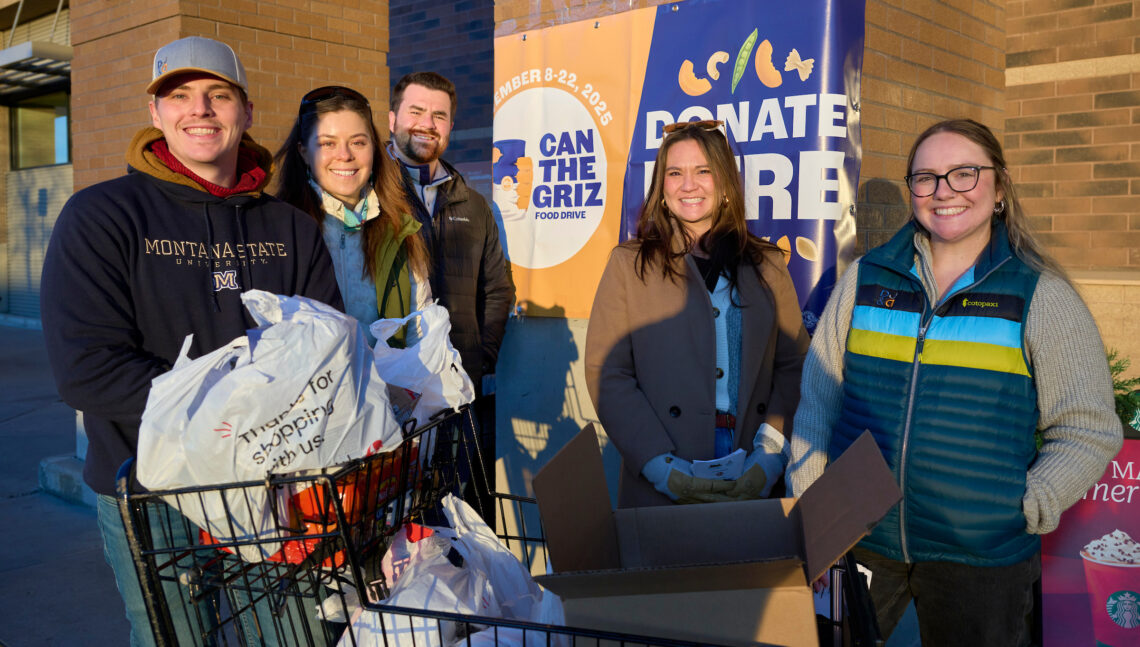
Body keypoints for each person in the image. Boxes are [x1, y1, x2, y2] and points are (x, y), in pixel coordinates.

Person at [39, 37, 342, 645]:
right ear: (156, 114)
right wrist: (245, 409)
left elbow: (327, 349)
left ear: (246, 111)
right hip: (154, 496)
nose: (199, 110)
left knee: (293, 638)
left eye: (218, 95)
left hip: (278, 494)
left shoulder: (291, 228)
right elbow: (87, 370)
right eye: (179, 96)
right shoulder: (102, 217)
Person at [785, 118, 1123, 646]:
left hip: (980, 556)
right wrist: (813, 507)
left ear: (1000, 186)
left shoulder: (1041, 296)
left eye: (964, 174)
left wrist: (1028, 501)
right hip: (860, 538)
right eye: (926, 178)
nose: (944, 192)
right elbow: (821, 398)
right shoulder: (866, 279)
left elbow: (1088, 428)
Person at [585, 120, 809, 507]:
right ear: (662, 187)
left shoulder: (768, 266)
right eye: (675, 173)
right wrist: (660, 466)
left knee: (744, 568)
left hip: (750, 456)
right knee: (672, 569)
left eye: (703, 171)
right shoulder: (629, 265)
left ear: (724, 183)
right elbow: (608, 371)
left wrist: (770, 457)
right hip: (666, 458)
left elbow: (794, 367)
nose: (688, 185)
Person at [388, 71, 515, 519]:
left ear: (450, 127)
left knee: (461, 514)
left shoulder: (474, 204)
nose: (427, 123)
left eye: (438, 115)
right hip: (391, 396)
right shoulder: (372, 195)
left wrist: (478, 358)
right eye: (416, 111)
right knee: (395, 517)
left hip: (460, 393)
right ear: (392, 119)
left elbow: (498, 289)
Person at [274, 85, 431, 346]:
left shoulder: (399, 228)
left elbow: (420, 330)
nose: (345, 155)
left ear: (374, 148)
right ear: (303, 152)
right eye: (328, 143)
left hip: (387, 385)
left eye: (358, 142)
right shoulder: (278, 228)